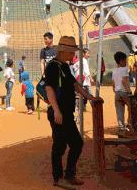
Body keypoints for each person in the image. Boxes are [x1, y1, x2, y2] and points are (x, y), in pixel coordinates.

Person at [45, 36, 96, 187]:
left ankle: (69, 174)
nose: (73, 54)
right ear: (63, 51)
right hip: (59, 113)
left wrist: (90, 97)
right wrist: (56, 111)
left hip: (66, 113)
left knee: (76, 143)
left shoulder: (65, 66)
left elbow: (75, 85)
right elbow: (49, 88)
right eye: (71, 51)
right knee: (60, 146)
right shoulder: (53, 66)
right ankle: (59, 178)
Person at [112, 51, 131, 132]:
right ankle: (130, 124)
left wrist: (116, 90)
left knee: (119, 110)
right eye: (125, 60)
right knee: (131, 107)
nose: (126, 62)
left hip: (117, 92)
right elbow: (124, 81)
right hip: (124, 92)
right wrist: (129, 91)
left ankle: (121, 127)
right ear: (121, 61)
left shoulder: (114, 70)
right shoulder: (125, 69)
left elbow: (113, 84)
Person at [39, 32, 56, 109]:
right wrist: (43, 74)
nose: (45, 41)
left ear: (51, 39)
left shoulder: (57, 49)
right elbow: (42, 63)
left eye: (46, 39)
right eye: (44, 39)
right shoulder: (43, 50)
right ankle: (50, 105)